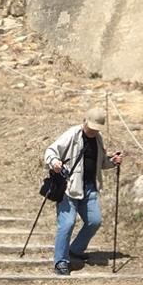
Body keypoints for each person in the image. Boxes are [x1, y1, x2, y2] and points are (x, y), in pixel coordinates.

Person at [43, 108, 123, 275]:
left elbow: (100, 163)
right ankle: (61, 261)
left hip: (89, 187)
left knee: (94, 221)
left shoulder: (98, 139)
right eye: (91, 127)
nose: (93, 131)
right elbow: (51, 151)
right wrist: (55, 162)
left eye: (97, 128)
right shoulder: (73, 134)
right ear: (85, 121)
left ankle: (75, 250)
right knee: (67, 223)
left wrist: (113, 161)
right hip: (69, 187)